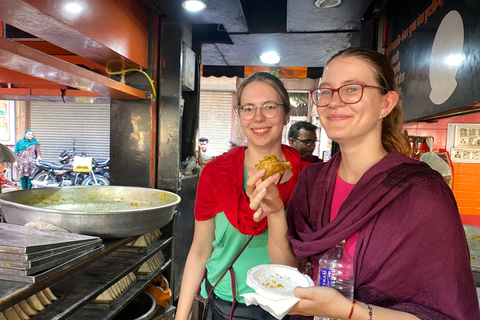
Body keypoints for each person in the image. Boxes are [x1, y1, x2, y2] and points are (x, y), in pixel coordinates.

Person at [247, 48, 479, 320]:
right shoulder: (313, 180)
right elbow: (292, 272)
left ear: (386, 104)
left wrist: (348, 311)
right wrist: (275, 213)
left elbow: (444, 314)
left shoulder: (422, 193)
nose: (334, 102)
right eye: (326, 91)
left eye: (351, 89)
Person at [176, 72, 312, 320]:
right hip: (225, 304)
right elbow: (200, 249)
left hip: (285, 306)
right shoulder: (216, 173)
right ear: (240, 115)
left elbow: (298, 263)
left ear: (286, 113)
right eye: (248, 108)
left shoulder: (308, 177)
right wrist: (181, 317)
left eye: (269, 106)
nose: (258, 117)